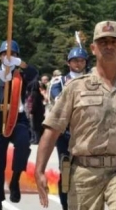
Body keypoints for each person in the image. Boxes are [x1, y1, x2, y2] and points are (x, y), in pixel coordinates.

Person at [35, 21, 116, 210]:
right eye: (103, 42)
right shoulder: (75, 88)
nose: (108, 46)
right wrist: (39, 170)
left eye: (114, 42)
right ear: (93, 48)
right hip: (84, 172)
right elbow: (52, 129)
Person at [0, 40, 40, 210]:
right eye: (5, 54)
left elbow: (34, 73)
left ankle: (16, 179)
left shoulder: (21, 74)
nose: (8, 57)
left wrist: (20, 64)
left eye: (13, 55)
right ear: (0, 56)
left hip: (17, 118)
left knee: (24, 144)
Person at [48, 46, 89, 210]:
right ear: (68, 63)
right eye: (74, 60)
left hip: (88, 134)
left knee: (88, 172)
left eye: (81, 60)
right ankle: (65, 206)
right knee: (66, 171)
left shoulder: (94, 80)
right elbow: (60, 101)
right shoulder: (59, 82)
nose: (78, 64)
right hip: (66, 134)